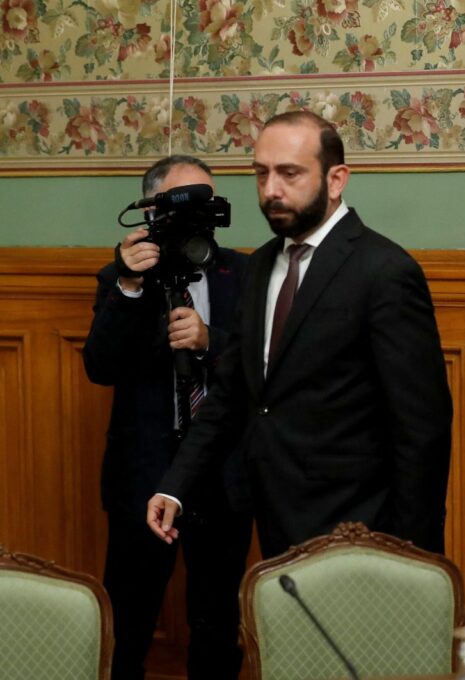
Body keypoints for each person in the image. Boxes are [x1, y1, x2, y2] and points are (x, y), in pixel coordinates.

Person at [146, 110, 453, 559]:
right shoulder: (260, 267)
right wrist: (175, 488)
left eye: (290, 173)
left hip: (364, 532)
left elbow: (421, 429)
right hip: (275, 523)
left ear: (336, 179)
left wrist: (409, 553)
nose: (272, 190)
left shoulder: (385, 272)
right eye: (261, 174)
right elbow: (232, 392)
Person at [83, 155, 252, 680]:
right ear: (152, 212)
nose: (196, 217)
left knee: (218, 626)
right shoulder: (122, 278)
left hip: (221, 476)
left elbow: (265, 366)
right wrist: (130, 287)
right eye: (182, 205)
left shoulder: (243, 273)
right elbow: (100, 366)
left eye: (206, 202)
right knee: (128, 626)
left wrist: (210, 342)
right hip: (144, 475)